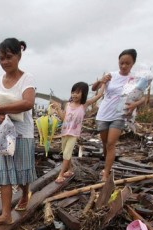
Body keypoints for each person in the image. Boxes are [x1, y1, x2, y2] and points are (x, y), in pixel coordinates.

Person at [0, 38, 37, 225]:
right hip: (3, 134)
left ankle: (24, 192)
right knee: (4, 173)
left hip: (22, 133)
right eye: (1, 58)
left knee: (22, 173)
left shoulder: (27, 78)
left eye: (8, 57)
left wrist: (1, 110)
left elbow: (28, 103)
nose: (5, 62)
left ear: (19, 55)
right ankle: (6, 214)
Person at [91, 49, 146, 181]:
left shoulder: (135, 80)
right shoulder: (111, 75)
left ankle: (106, 173)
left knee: (111, 144)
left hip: (119, 114)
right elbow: (94, 89)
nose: (124, 66)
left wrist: (134, 105)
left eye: (127, 63)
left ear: (133, 64)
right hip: (104, 113)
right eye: (121, 63)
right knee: (105, 143)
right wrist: (100, 81)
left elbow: (142, 98)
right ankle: (106, 163)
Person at [50, 82, 104, 183]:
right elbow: (64, 119)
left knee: (66, 154)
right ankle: (70, 169)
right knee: (66, 154)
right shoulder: (68, 105)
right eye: (73, 92)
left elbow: (99, 96)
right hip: (65, 132)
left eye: (78, 92)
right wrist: (57, 109)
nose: (74, 94)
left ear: (83, 94)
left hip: (73, 134)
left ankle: (61, 174)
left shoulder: (84, 105)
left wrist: (103, 83)